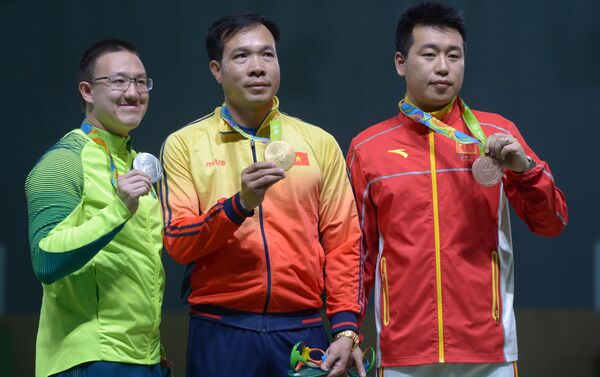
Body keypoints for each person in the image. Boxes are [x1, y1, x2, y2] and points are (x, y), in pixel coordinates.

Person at [346, 2, 568, 376]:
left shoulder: (497, 135)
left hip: (489, 348)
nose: (443, 67)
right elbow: (358, 254)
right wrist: (348, 329)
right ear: (401, 62)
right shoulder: (367, 149)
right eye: (429, 54)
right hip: (404, 352)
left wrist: (525, 171)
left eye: (454, 55)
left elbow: (552, 222)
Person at [159, 11, 363, 377]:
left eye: (267, 55)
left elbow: (343, 241)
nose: (258, 67)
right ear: (216, 70)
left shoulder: (319, 143)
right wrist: (238, 206)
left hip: (302, 330)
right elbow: (178, 241)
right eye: (242, 56)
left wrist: (346, 327)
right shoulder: (185, 144)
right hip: (221, 328)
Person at [25, 39, 166, 377]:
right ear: (87, 91)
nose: (133, 92)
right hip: (89, 358)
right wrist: (118, 209)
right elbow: (45, 259)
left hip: (144, 358)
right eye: (118, 81)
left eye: (140, 81)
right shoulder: (63, 162)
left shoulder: (133, 164)